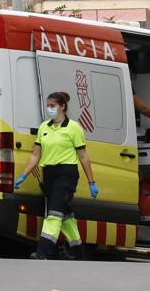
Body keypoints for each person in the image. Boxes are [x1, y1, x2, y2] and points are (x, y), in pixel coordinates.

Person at [14, 92, 98, 260]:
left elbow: (83, 156)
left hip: (66, 174)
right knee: (65, 217)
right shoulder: (44, 127)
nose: (49, 109)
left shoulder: (73, 127)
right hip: (49, 175)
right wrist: (23, 175)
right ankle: (80, 254)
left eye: (52, 106)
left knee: (53, 215)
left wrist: (91, 182)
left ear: (62, 107)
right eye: (48, 105)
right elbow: (35, 155)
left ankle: (42, 252)